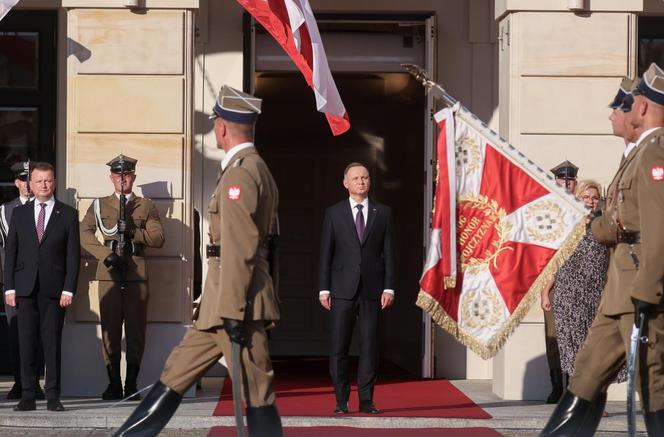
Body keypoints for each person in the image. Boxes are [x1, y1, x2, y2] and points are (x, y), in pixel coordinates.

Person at [113, 85, 282, 437]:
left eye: (216, 123)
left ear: (222, 127)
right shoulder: (252, 168)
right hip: (220, 306)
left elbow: (240, 247)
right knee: (175, 374)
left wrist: (234, 310)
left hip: (237, 306)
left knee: (257, 393)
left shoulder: (242, 172)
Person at [541, 62, 664, 436]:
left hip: (639, 287)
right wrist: (600, 225)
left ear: (641, 108)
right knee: (586, 374)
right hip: (617, 292)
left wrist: (648, 289)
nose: (613, 113)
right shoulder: (637, 153)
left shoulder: (655, 154)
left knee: (652, 383)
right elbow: (623, 218)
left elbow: (659, 227)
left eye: (620, 105)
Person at [79, 155, 164, 401]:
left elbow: (158, 238)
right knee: (110, 330)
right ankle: (113, 383)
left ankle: (132, 384)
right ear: (112, 178)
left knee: (136, 332)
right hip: (109, 274)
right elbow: (84, 234)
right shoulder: (99, 205)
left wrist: (135, 232)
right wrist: (105, 255)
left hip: (137, 275)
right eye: (118, 176)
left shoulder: (145, 205)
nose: (123, 179)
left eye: (127, 175)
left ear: (133, 177)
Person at [318, 162, 396, 415]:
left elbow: (389, 253)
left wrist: (389, 288)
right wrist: (324, 289)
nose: (361, 182)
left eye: (365, 177)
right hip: (341, 290)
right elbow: (325, 253)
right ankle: (341, 401)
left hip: (372, 291)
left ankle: (366, 400)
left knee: (369, 346)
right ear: (345, 183)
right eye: (356, 178)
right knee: (339, 347)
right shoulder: (334, 213)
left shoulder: (382, 212)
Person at [3, 162, 80, 412]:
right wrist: (9, 288)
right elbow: (11, 253)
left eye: (48, 180)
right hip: (24, 289)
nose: (44, 185)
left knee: (52, 343)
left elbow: (72, 256)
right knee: (26, 342)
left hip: (54, 290)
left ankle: (53, 396)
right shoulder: (20, 214)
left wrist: (69, 289)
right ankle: (27, 394)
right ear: (31, 184)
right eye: (38, 181)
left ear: (54, 182)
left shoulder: (68, 214)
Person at [541, 180, 627, 386]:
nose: (591, 201)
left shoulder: (605, 224)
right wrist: (546, 292)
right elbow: (555, 261)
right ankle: (577, 398)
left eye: (595, 197)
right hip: (568, 293)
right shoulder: (566, 223)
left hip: (595, 294)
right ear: (577, 197)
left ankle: (593, 396)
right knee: (572, 348)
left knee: (595, 348)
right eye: (586, 197)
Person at [0, 161, 44, 401]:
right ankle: (19, 381)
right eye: (23, 179)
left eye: (31, 179)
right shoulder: (4, 211)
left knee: (38, 332)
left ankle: (35, 381)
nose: (27, 184)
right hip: (15, 281)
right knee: (16, 332)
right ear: (16, 182)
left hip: (40, 279)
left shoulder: (45, 207)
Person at [542, 160, 579, 404]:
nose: (566, 184)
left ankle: (573, 387)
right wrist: (545, 288)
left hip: (577, 281)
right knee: (553, 335)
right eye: (562, 180)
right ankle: (557, 385)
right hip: (552, 280)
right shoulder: (547, 209)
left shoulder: (582, 209)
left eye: (570, 180)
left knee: (576, 336)